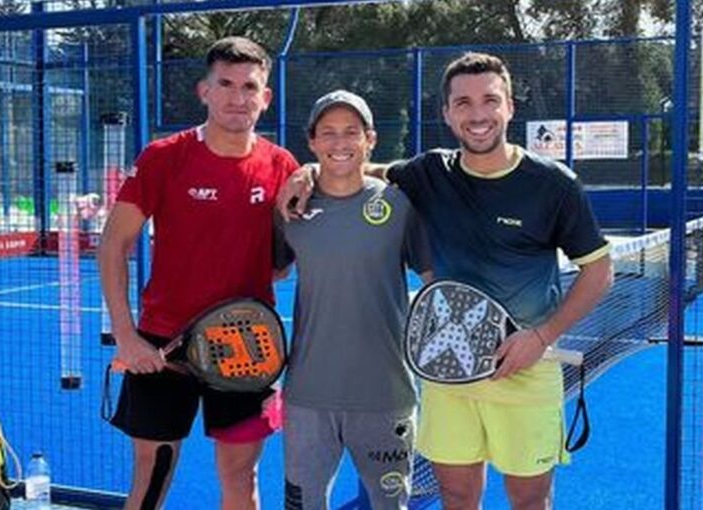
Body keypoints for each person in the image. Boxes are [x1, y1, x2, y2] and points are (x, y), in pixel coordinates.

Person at [277, 53, 614, 510]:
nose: (478, 114)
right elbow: (358, 168)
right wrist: (309, 170)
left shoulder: (553, 184)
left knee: (529, 500)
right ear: (447, 113)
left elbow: (599, 271)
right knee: (456, 495)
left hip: (526, 371)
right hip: (447, 373)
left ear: (510, 106)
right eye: (464, 103)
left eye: (490, 100)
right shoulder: (431, 172)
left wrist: (541, 336)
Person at [98, 37, 299, 510]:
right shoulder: (164, 157)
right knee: (154, 473)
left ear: (265, 97)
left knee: (240, 476)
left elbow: (284, 263)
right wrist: (126, 336)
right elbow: (113, 243)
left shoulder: (282, 165)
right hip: (162, 346)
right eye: (225, 84)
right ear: (203, 91)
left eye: (250, 86)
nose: (238, 96)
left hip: (247, 348)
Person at [275, 90, 431, 510]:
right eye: (327, 133)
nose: (339, 143)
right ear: (311, 142)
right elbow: (269, 272)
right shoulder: (290, 207)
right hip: (308, 395)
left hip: (386, 396)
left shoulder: (399, 205)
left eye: (351, 132)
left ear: (370, 140)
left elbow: (437, 284)